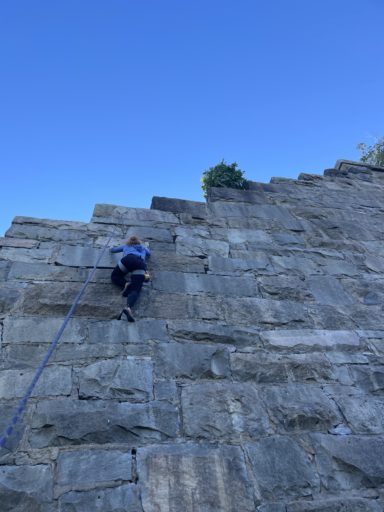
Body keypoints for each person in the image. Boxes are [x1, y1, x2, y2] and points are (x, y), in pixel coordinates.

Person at [110, 235, 150, 322]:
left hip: (127, 259)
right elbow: (149, 254)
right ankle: (128, 308)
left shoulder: (126, 246)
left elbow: (113, 250)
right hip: (140, 263)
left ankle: (125, 283)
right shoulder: (143, 248)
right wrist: (146, 247)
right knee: (135, 290)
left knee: (115, 276)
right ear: (138, 242)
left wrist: (111, 247)